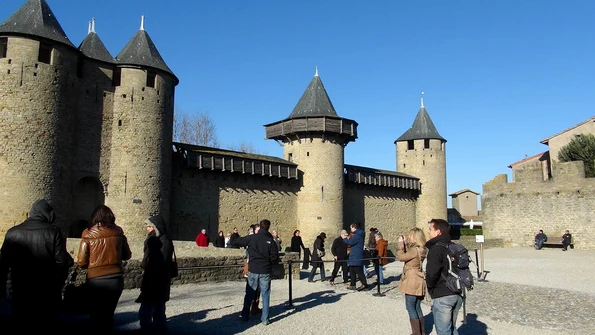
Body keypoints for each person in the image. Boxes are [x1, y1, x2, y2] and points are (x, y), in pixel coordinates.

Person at [0, 199, 73, 332]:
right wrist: (58, 283)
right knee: (44, 324)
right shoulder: (53, 231)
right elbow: (62, 261)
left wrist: (3, 286)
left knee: (21, 323)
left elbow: (3, 263)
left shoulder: (12, 232)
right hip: (46, 289)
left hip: (20, 288)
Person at [77, 204, 132, 333]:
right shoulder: (118, 232)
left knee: (96, 315)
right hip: (116, 279)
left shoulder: (88, 234)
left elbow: (81, 261)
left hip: (96, 280)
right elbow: (127, 255)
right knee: (108, 314)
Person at [232, 219, 279, 325]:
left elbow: (236, 241)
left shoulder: (252, 238)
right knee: (266, 294)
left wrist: (235, 235)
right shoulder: (271, 241)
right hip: (265, 270)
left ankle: (245, 315)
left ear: (260, 227)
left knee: (249, 293)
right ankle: (265, 319)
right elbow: (275, 257)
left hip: (253, 269)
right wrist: (268, 263)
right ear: (268, 227)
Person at [136, 215, 175, 334]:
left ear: (156, 227)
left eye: (149, 226)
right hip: (158, 281)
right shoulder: (156, 240)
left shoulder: (162, 241)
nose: (147, 229)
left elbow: (158, 262)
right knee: (158, 310)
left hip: (156, 281)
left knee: (147, 311)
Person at [426, 218, 463, 335]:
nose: (428, 232)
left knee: (444, 332)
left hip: (443, 295)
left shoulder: (436, 249)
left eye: (430, 229)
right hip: (457, 293)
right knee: (452, 329)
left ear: (438, 232)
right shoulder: (454, 247)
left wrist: (431, 289)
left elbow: (432, 274)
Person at [397, 227, 428, 335]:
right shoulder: (421, 249)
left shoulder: (415, 250)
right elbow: (409, 255)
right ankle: (421, 331)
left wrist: (400, 245)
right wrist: (406, 244)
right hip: (418, 279)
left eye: (410, 235)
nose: (409, 237)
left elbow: (401, 257)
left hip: (412, 280)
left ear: (415, 236)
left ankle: (416, 333)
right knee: (417, 306)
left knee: (410, 306)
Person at [343, 222, 368, 291]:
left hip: (356, 255)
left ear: (354, 228)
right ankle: (352, 285)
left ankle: (364, 284)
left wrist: (344, 239)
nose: (350, 229)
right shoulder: (356, 234)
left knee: (358, 271)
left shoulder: (358, 235)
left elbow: (351, 242)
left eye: (351, 228)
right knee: (352, 270)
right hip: (353, 255)